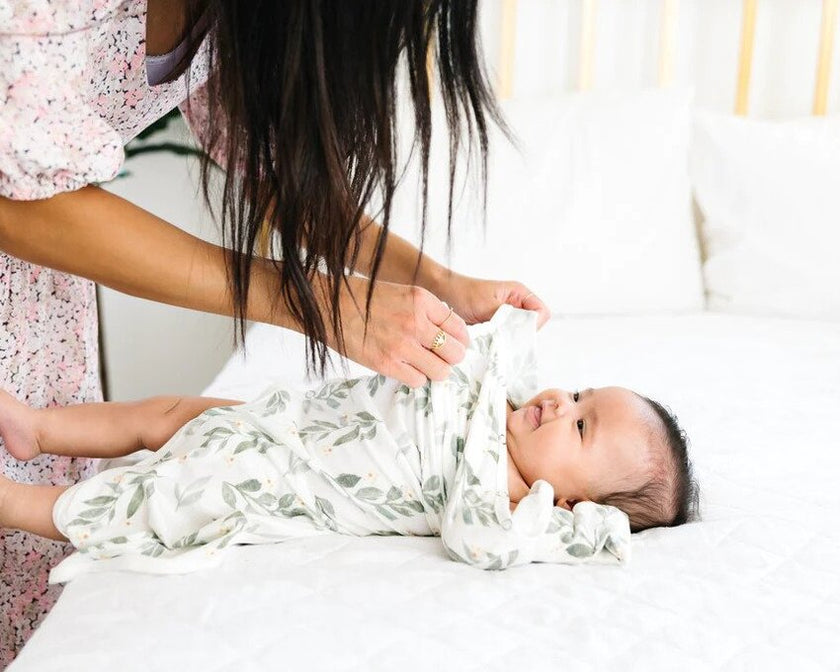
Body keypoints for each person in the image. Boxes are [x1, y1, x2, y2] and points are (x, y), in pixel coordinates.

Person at [0, 1, 550, 658]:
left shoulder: (235, 22)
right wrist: (309, 297)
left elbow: (278, 181)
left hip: (37, 310)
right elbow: (16, 204)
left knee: (29, 592)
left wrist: (439, 282)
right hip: (35, 246)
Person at [0, 307, 699, 580]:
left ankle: (16, 501)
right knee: (169, 414)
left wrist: (586, 528)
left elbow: (485, 546)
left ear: (568, 496)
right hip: (285, 418)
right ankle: (37, 426)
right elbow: (499, 342)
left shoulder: (503, 497)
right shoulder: (506, 398)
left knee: (146, 498)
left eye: (581, 425)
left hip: (280, 479)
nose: (561, 402)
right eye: (581, 394)